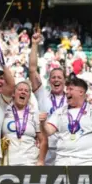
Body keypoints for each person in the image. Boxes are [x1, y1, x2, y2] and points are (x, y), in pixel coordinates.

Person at [42, 77, 92, 166]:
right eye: (66, 89)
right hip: (63, 161)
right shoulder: (60, 112)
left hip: (88, 161)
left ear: (81, 92)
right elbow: (48, 131)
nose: (67, 92)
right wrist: (42, 123)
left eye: (70, 89)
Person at [29, 31, 65, 165]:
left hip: (65, 148)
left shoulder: (71, 99)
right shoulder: (42, 94)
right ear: (49, 81)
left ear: (64, 81)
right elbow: (32, 70)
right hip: (46, 148)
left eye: (59, 77)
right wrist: (34, 45)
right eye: (53, 77)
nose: (56, 80)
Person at [2, 81, 47, 166]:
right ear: (13, 94)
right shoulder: (4, 111)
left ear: (29, 96)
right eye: (20, 90)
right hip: (8, 162)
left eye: (26, 91)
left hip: (29, 162)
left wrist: (41, 161)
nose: (23, 92)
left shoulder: (35, 113)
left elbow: (43, 140)